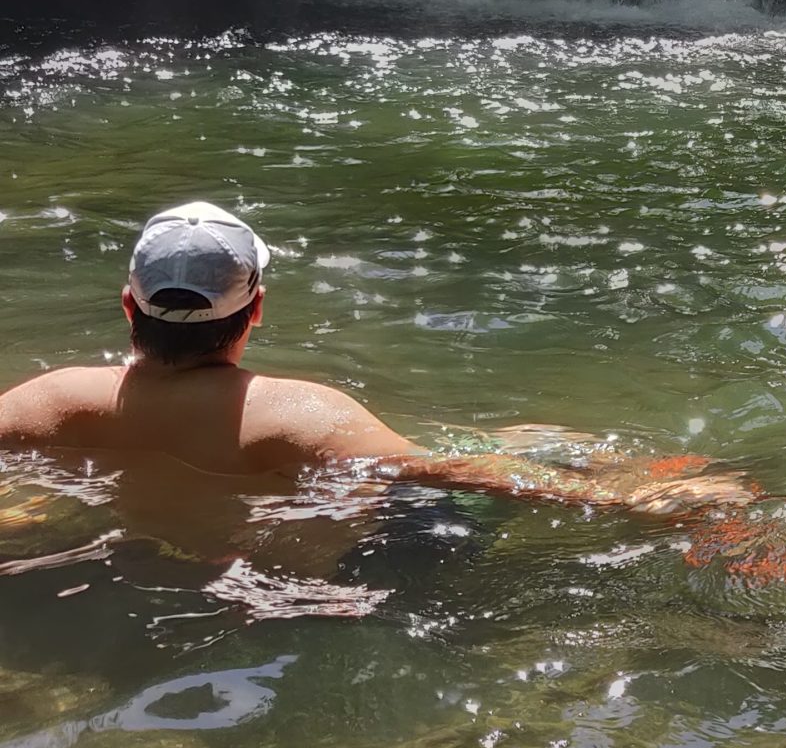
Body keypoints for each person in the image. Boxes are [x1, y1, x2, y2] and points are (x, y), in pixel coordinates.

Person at [0, 200, 737, 567]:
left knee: (487, 443)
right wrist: (654, 502)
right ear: (255, 310)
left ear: (128, 304)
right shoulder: (298, 413)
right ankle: (600, 454)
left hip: (156, 563)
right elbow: (456, 475)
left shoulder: (50, 400)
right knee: (475, 461)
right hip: (337, 572)